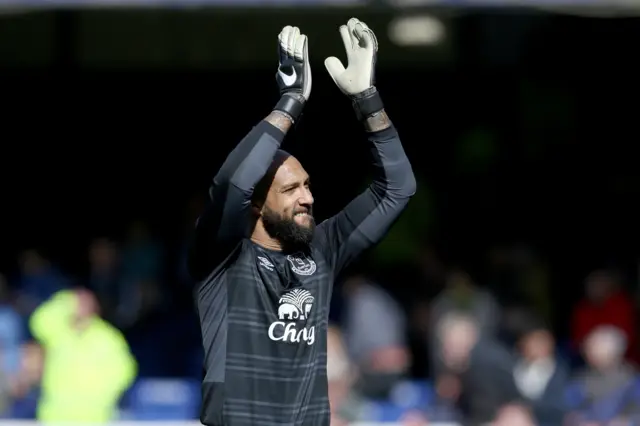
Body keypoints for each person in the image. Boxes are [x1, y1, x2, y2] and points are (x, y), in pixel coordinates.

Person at [188, 18, 416, 426]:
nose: (308, 197)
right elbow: (232, 183)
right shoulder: (221, 257)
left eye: (308, 186)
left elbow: (397, 188)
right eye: (291, 189)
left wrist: (367, 99)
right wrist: (290, 102)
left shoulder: (323, 251)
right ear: (256, 203)